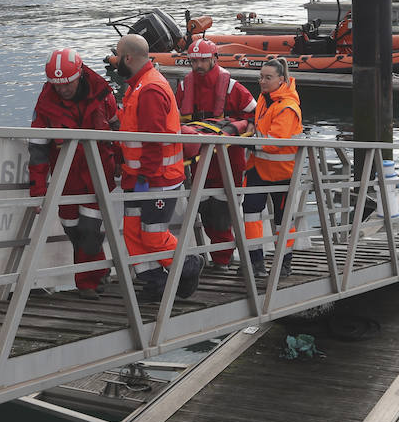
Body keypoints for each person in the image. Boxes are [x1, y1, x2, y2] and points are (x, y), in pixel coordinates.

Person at [113, 33, 201, 302]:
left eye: (118, 55)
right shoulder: (139, 85)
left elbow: (154, 140)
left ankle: (188, 265)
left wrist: (144, 177)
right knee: (132, 233)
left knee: (152, 236)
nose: (115, 60)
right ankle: (154, 282)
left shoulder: (149, 88)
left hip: (155, 178)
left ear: (128, 58)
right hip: (140, 177)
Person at [28, 49, 119, 299]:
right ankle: (98, 270)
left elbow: (118, 131)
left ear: (79, 75)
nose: (63, 89)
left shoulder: (103, 95)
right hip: (65, 178)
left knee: (90, 230)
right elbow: (37, 149)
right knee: (73, 230)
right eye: (57, 85)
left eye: (67, 84)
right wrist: (37, 189)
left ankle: (86, 284)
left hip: (97, 174)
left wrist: (126, 167)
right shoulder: (45, 105)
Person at [174, 39, 257, 268]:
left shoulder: (232, 87)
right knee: (203, 208)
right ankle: (219, 257)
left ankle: (223, 259)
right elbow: (175, 119)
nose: (198, 65)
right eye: (194, 61)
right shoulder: (184, 86)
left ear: (214, 59)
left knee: (222, 212)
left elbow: (254, 115)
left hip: (228, 159)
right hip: (199, 159)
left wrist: (239, 127)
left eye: (203, 60)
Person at [243, 57, 303, 278]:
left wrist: (248, 140)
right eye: (260, 77)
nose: (262, 81)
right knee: (250, 213)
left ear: (281, 79)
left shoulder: (288, 107)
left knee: (283, 221)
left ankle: (284, 263)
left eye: (268, 78)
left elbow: (276, 141)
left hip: (283, 174)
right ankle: (255, 262)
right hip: (258, 168)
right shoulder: (264, 99)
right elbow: (262, 128)